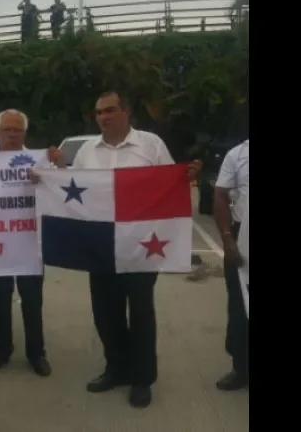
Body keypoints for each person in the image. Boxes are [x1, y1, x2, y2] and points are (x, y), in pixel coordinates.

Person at [47, 91, 202, 408]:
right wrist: (52, 174)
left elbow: (170, 181)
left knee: (142, 314)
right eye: (99, 112)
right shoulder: (89, 150)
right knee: (106, 313)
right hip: (101, 247)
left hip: (142, 246)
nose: (104, 116)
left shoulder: (150, 144)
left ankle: (142, 379)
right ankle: (115, 369)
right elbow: (76, 193)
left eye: (110, 110)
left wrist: (185, 176)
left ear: (126, 112)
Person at [0, 109, 57, 374]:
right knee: (0, 296)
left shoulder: (40, 161)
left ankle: (36, 354)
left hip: (30, 242)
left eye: (18, 130)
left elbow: (57, 197)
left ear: (25, 133)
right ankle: (1, 349)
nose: (13, 135)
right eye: (8, 130)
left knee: (32, 300)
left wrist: (44, 180)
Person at [212, 137, 249, 391]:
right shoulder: (237, 154)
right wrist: (227, 239)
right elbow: (221, 196)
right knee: (240, 306)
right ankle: (241, 368)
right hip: (243, 238)